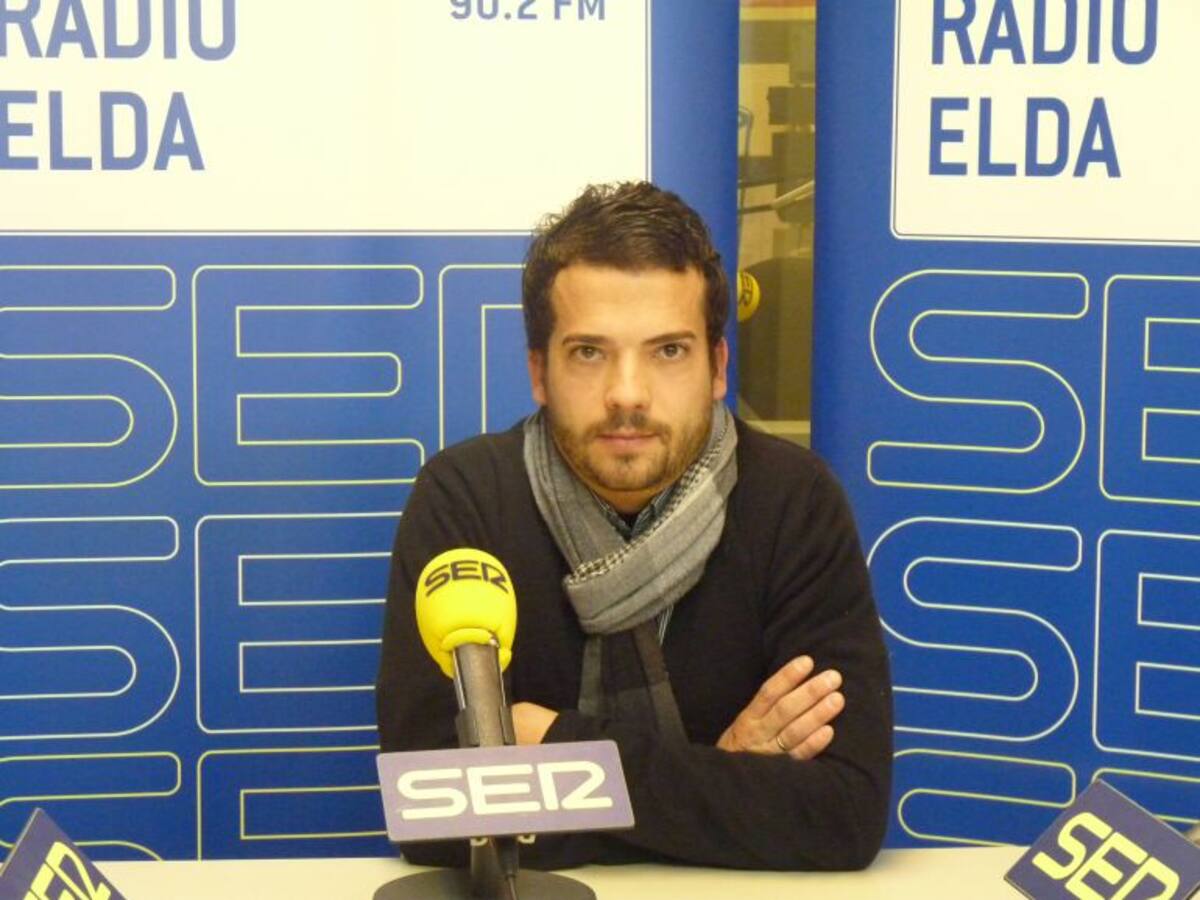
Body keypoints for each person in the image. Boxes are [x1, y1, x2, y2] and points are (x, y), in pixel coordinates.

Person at [375, 181, 892, 871]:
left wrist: (552, 742)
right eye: (589, 352)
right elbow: (433, 815)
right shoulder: (466, 498)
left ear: (717, 368)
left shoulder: (793, 501)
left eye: (668, 351)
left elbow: (843, 815)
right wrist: (722, 775)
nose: (627, 393)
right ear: (539, 372)